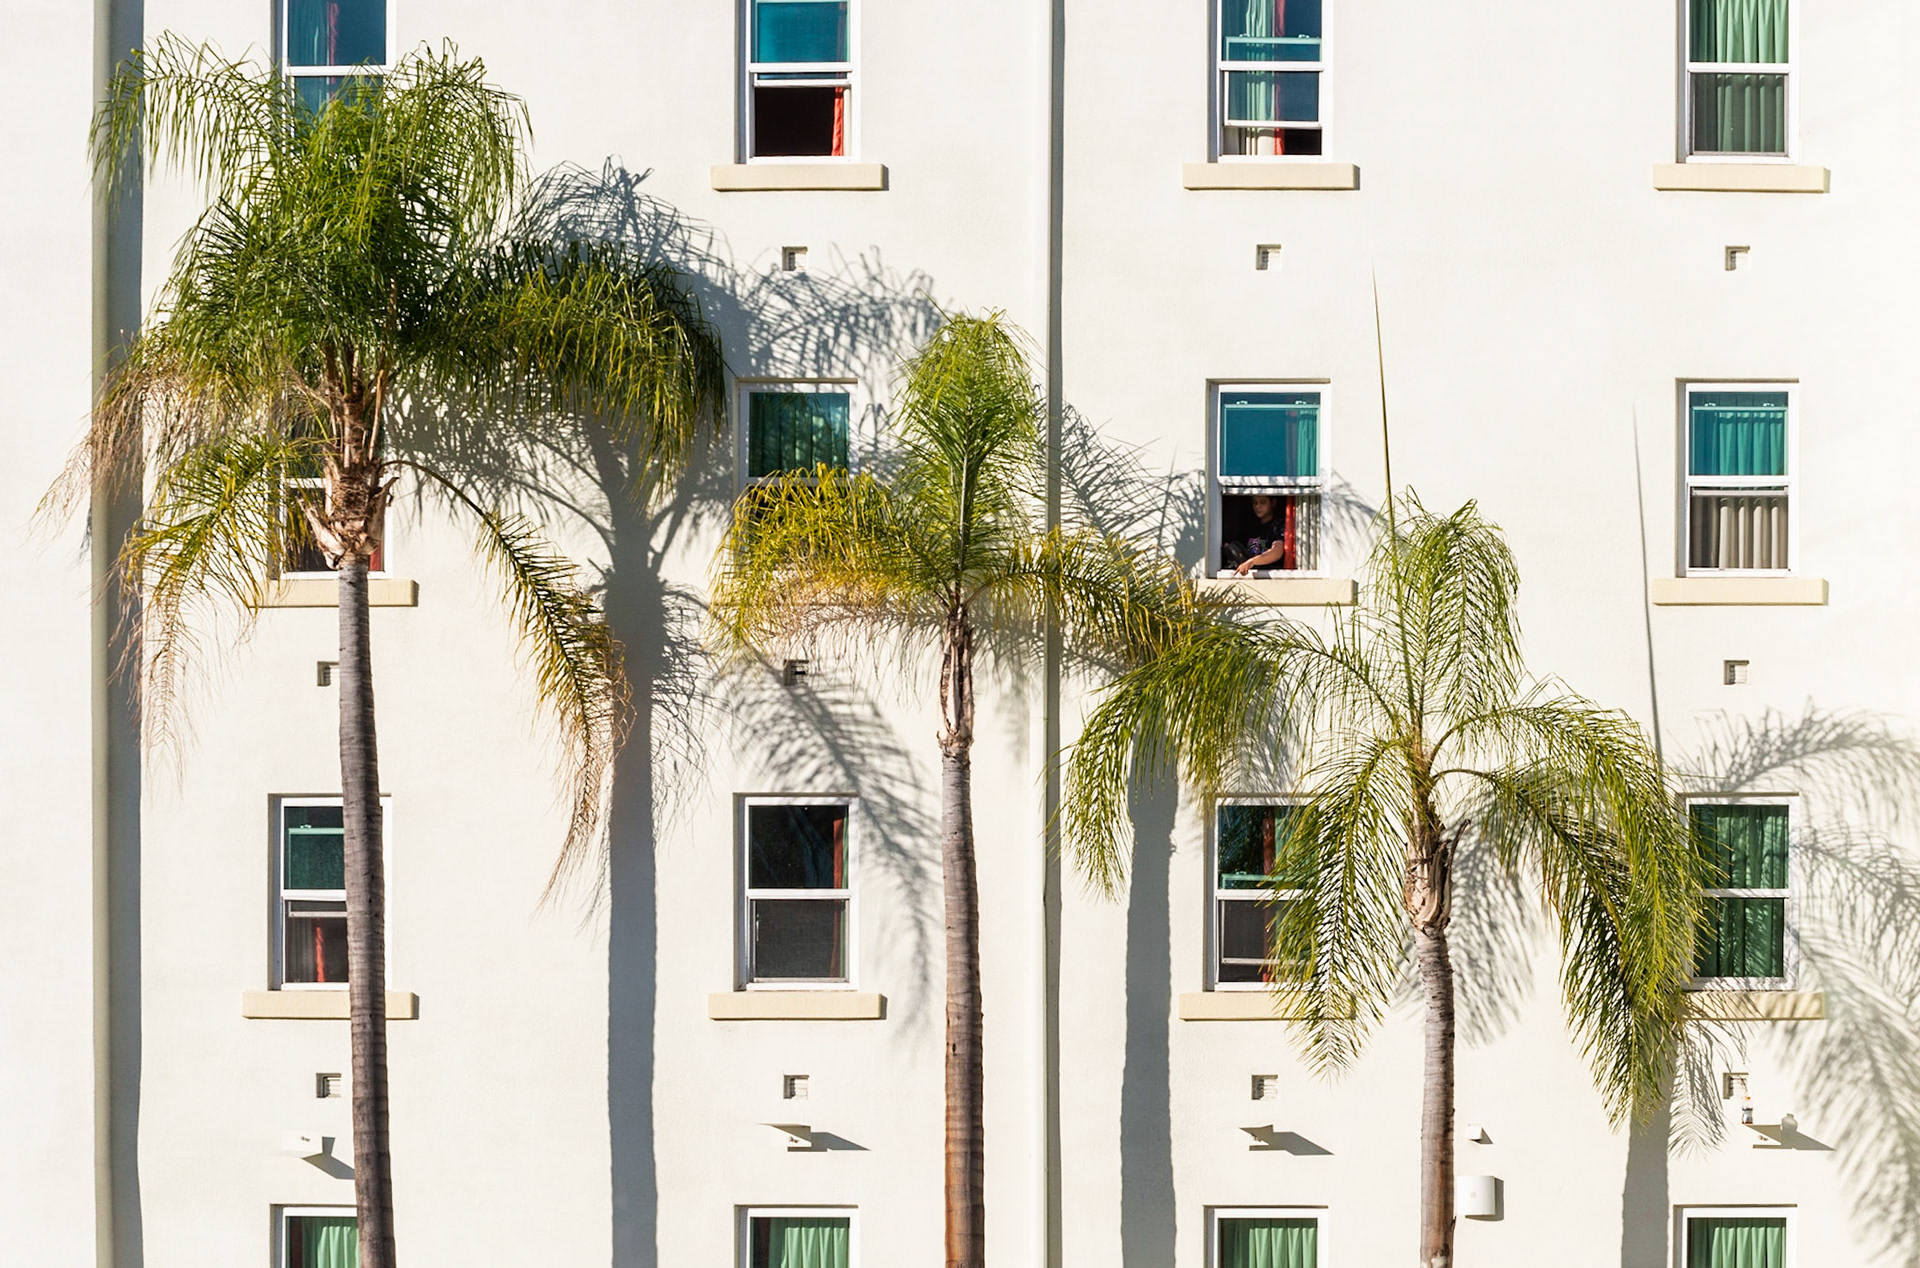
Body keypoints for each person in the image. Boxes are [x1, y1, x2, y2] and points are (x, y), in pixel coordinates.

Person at [1231, 493, 1296, 575]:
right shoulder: (1250, 527)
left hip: (1272, 576)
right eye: (1255, 503)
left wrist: (1253, 561)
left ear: (1273, 503)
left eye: (1263, 502)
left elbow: (1277, 552)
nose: (1258, 506)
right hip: (1252, 575)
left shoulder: (1278, 525)